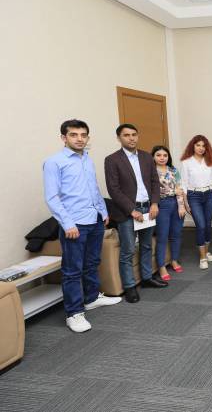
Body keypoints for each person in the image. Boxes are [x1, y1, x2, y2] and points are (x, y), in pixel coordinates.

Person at [44, 119, 121, 332]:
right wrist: (67, 223)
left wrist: (103, 212)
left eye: (83, 135)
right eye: (74, 135)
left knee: (92, 262)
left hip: (94, 219)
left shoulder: (86, 158)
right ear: (63, 137)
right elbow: (52, 197)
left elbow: (93, 188)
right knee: (72, 270)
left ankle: (91, 298)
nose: (79, 139)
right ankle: (74, 313)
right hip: (74, 224)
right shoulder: (54, 162)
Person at [105, 124, 167, 304]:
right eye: (126, 135)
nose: (131, 138)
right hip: (127, 212)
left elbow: (155, 182)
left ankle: (147, 278)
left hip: (148, 209)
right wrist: (131, 210)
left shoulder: (147, 157)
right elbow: (113, 189)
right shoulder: (112, 160)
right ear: (119, 138)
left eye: (134, 134)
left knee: (147, 245)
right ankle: (129, 286)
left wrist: (154, 203)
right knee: (128, 250)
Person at [180, 135, 212, 270]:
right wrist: (186, 203)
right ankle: (202, 257)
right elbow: (183, 184)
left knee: (208, 225)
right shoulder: (186, 162)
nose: (201, 148)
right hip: (193, 196)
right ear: (193, 146)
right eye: (198, 145)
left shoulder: (210, 160)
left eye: (203, 146)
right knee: (201, 226)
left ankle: (206, 252)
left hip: (209, 195)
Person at [151, 145, 187, 281]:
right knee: (162, 236)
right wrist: (173, 191)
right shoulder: (150, 171)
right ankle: (161, 266)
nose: (162, 158)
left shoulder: (173, 170)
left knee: (176, 235)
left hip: (176, 204)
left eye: (165, 155)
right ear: (153, 157)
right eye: (158, 155)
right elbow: (153, 192)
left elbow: (179, 189)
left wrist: (181, 207)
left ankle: (174, 260)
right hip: (161, 205)